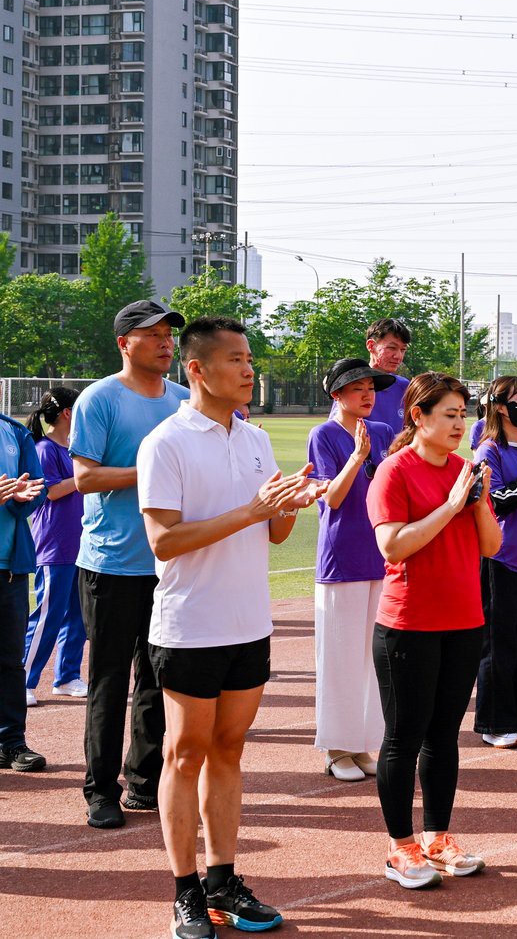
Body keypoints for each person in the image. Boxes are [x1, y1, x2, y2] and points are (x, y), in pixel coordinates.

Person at [138, 316, 325, 938]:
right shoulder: (165, 442)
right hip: (190, 625)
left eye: (249, 359)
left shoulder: (255, 439)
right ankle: (185, 892)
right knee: (184, 753)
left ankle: (222, 880)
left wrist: (290, 504)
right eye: (236, 359)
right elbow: (164, 541)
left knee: (228, 750)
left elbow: (272, 532)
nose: (249, 370)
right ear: (197, 369)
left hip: (249, 622)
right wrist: (250, 510)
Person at [367, 372, 501, 889]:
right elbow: (393, 546)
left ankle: (438, 838)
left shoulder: (468, 471)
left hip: (463, 621)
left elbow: (491, 545)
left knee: (444, 736)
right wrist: (449, 506)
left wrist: (477, 501)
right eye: (449, 414)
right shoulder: (394, 472)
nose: (460, 424)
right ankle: (399, 847)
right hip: (409, 624)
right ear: (418, 417)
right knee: (404, 737)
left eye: (463, 414)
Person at [71, 299, 190, 829]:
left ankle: (143, 782)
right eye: (153, 334)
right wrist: (154, 470)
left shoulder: (184, 400)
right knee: (109, 679)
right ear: (124, 343)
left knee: (158, 679)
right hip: (111, 564)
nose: (166, 342)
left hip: (168, 564)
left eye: (169, 334)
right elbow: (85, 478)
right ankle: (100, 789)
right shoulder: (99, 398)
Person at [306, 359, 397, 782]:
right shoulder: (323, 435)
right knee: (339, 657)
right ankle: (336, 748)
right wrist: (358, 456)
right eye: (357, 388)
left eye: (371, 388)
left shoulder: (383, 431)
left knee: (371, 661)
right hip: (341, 559)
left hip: (380, 555)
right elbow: (333, 498)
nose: (367, 394)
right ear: (337, 394)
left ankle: (361, 744)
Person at [472, 376, 517, 748]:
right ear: (500, 407)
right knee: (499, 644)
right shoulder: (490, 450)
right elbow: (494, 500)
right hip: (501, 558)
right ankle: (495, 721)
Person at [21, 388, 86, 708]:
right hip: (54, 545)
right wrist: (86, 476)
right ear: (67, 413)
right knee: (48, 615)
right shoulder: (45, 449)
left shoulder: (73, 450)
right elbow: (52, 491)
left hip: (79, 545)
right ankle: (22, 680)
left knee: (78, 616)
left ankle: (67, 676)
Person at [0, 403, 47, 773]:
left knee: (9, 660)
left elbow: (38, 487)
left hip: (11, 568)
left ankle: (11, 743)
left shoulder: (15, 432)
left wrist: (23, 496)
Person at [339, 318, 412, 436]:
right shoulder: (350, 384)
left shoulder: (405, 387)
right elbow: (339, 431)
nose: (398, 356)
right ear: (371, 346)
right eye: (392, 348)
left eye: (403, 350)